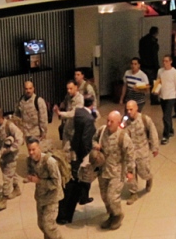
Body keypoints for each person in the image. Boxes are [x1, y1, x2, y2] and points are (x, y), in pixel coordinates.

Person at [57, 95, 96, 225]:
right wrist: (86, 157)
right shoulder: (89, 119)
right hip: (81, 156)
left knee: (78, 183)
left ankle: (83, 197)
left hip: (74, 152)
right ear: (93, 103)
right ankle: (65, 215)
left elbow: (69, 114)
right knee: (75, 185)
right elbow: (86, 141)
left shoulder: (79, 112)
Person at [92, 111, 135, 230]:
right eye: (108, 120)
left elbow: (130, 155)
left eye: (112, 122)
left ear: (118, 123)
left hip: (116, 172)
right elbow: (94, 139)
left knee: (112, 197)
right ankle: (111, 215)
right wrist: (96, 145)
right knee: (105, 196)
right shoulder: (102, 131)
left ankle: (117, 215)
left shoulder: (123, 137)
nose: (109, 123)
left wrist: (130, 171)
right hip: (103, 170)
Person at [26, 138, 66, 239]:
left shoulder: (50, 162)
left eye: (34, 149)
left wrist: (39, 181)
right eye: (29, 150)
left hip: (52, 197)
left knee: (48, 224)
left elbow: (56, 183)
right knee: (41, 224)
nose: (31, 152)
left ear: (39, 148)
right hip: (40, 196)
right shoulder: (30, 161)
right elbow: (31, 172)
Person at [123, 101, 159, 205]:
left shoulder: (144, 119)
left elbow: (153, 132)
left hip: (142, 151)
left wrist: (154, 148)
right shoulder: (125, 120)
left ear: (136, 108)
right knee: (130, 172)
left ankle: (149, 179)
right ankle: (133, 193)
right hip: (130, 152)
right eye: (127, 109)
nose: (129, 112)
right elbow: (120, 133)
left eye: (131, 109)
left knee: (144, 172)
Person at [156, 55, 176, 144]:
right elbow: (158, 81)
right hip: (162, 96)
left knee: (166, 117)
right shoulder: (160, 71)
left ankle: (165, 136)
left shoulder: (175, 73)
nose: (165, 63)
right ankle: (170, 130)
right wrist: (156, 90)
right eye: (164, 61)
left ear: (171, 61)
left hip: (171, 97)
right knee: (166, 115)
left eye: (167, 61)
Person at [55, 81, 84, 150]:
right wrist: (59, 106)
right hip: (67, 126)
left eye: (71, 88)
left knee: (75, 152)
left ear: (76, 88)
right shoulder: (68, 96)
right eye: (67, 89)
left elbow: (73, 113)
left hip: (76, 129)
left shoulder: (80, 99)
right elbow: (64, 104)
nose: (68, 91)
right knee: (65, 150)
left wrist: (60, 113)